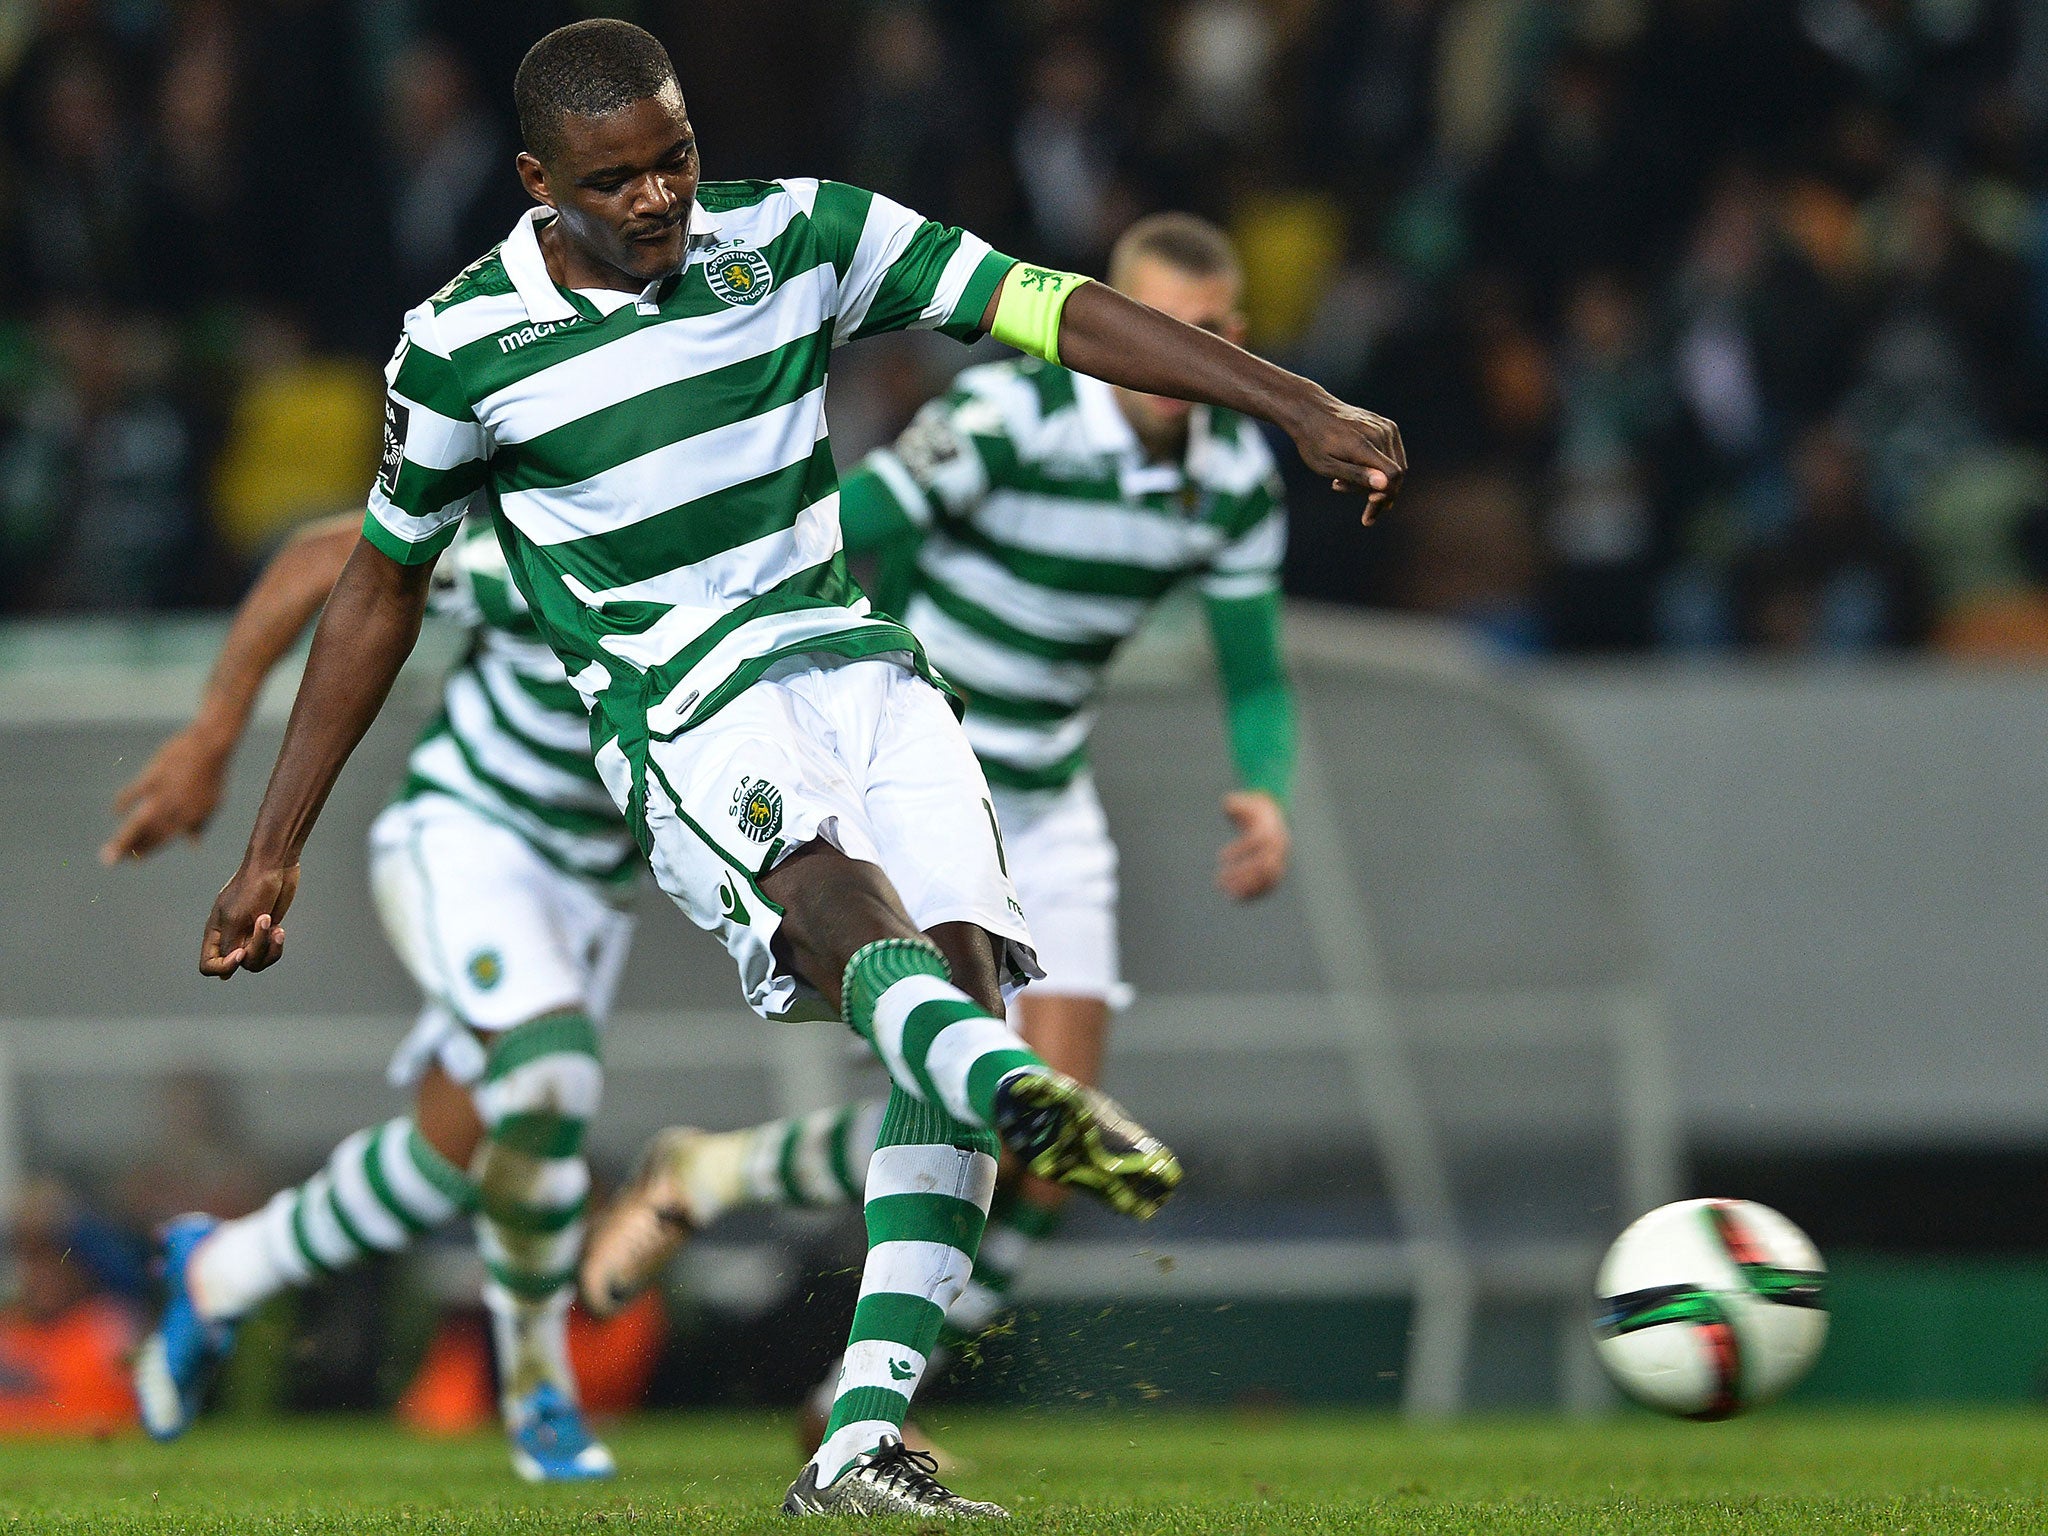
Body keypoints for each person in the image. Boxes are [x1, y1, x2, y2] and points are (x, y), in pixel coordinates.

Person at [192, 20, 1402, 1517]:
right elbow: (376, 583)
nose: (657, 199)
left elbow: (1048, 306)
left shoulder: (801, 233)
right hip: (687, 708)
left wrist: (1291, 403)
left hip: (868, 671)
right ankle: (1006, 1085)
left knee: (954, 999)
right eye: (615, 179)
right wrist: (273, 840)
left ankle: (860, 1440)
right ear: (535, 180)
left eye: (676, 159)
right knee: (855, 934)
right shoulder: (459, 346)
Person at [580, 213, 1299, 1432]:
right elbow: (871, 518)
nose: (1189, 357)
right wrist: (875, 694)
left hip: (1052, 794)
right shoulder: (1007, 423)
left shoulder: (1230, 479)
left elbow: (1253, 662)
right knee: (974, 1079)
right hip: (929, 768)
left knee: (1041, 1131)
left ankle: (742, 1209)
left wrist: (1263, 786)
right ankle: (869, 1401)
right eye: (1167, 327)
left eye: (1215, 333)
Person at [113, 510, 630, 1482]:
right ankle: (538, 1395)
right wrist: (214, 733)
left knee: (455, 1151)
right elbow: (323, 556)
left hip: (594, 886)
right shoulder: (552, 532)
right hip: (471, 835)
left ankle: (221, 1271)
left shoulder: (741, 558)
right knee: (549, 1073)